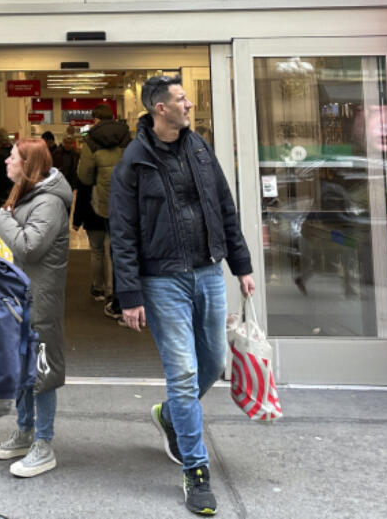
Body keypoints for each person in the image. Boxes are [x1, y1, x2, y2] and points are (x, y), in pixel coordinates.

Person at [110, 75, 255, 516]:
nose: (189, 104)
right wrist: (130, 293)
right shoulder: (133, 162)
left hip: (208, 271)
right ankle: (196, 471)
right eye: (180, 99)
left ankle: (171, 416)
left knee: (212, 362)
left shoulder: (200, 148)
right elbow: (122, 234)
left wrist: (241, 264)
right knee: (185, 374)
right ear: (160, 109)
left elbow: (223, 205)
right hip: (162, 281)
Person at [0, 139, 71, 478]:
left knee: (42, 370)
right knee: (24, 366)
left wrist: (1, 219)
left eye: (12, 157)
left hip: (39, 299)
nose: (6, 162)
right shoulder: (28, 196)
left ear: (28, 163)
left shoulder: (49, 202)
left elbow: (29, 246)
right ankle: (23, 432)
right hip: (22, 297)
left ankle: (43, 443)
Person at [77, 104, 130, 314]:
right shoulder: (127, 138)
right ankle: (113, 292)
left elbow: (84, 176)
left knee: (98, 250)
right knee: (115, 250)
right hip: (125, 201)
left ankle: (98, 288)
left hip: (101, 202)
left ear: (96, 119)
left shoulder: (90, 141)